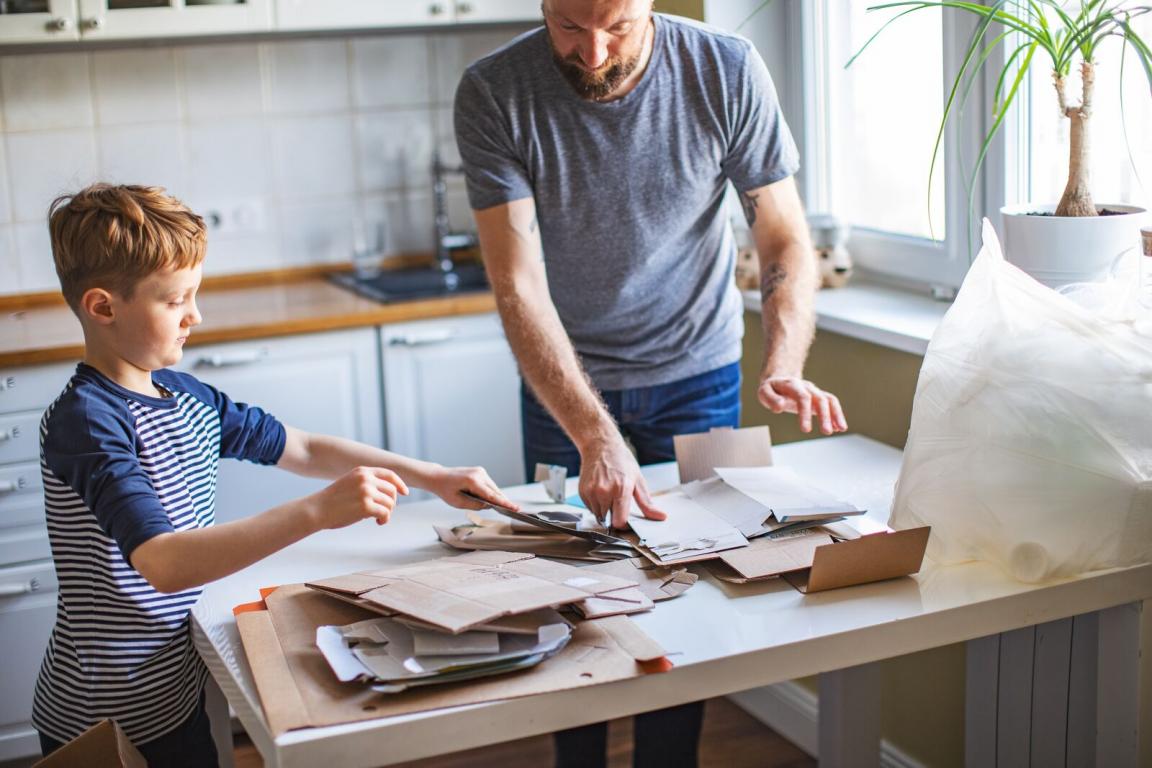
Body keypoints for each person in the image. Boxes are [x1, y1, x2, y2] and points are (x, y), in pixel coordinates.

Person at [454, 1, 848, 765]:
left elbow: (783, 236)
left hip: (696, 372)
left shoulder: (725, 69)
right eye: (569, 26)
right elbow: (517, 284)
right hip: (565, 389)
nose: (594, 53)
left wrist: (784, 361)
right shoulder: (495, 89)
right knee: (570, 597)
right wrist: (593, 432)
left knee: (690, 592)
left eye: (617, 27)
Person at [31, 184, 517, 768]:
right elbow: (163, 562)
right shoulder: (87, 421)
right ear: (103, 307)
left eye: (196, 293)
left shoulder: (182, 395)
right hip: (106, 708)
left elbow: (304, 448)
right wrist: (317, 512)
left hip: (176, 682)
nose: (196, 315)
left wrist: (430, 475)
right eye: (175, 300)